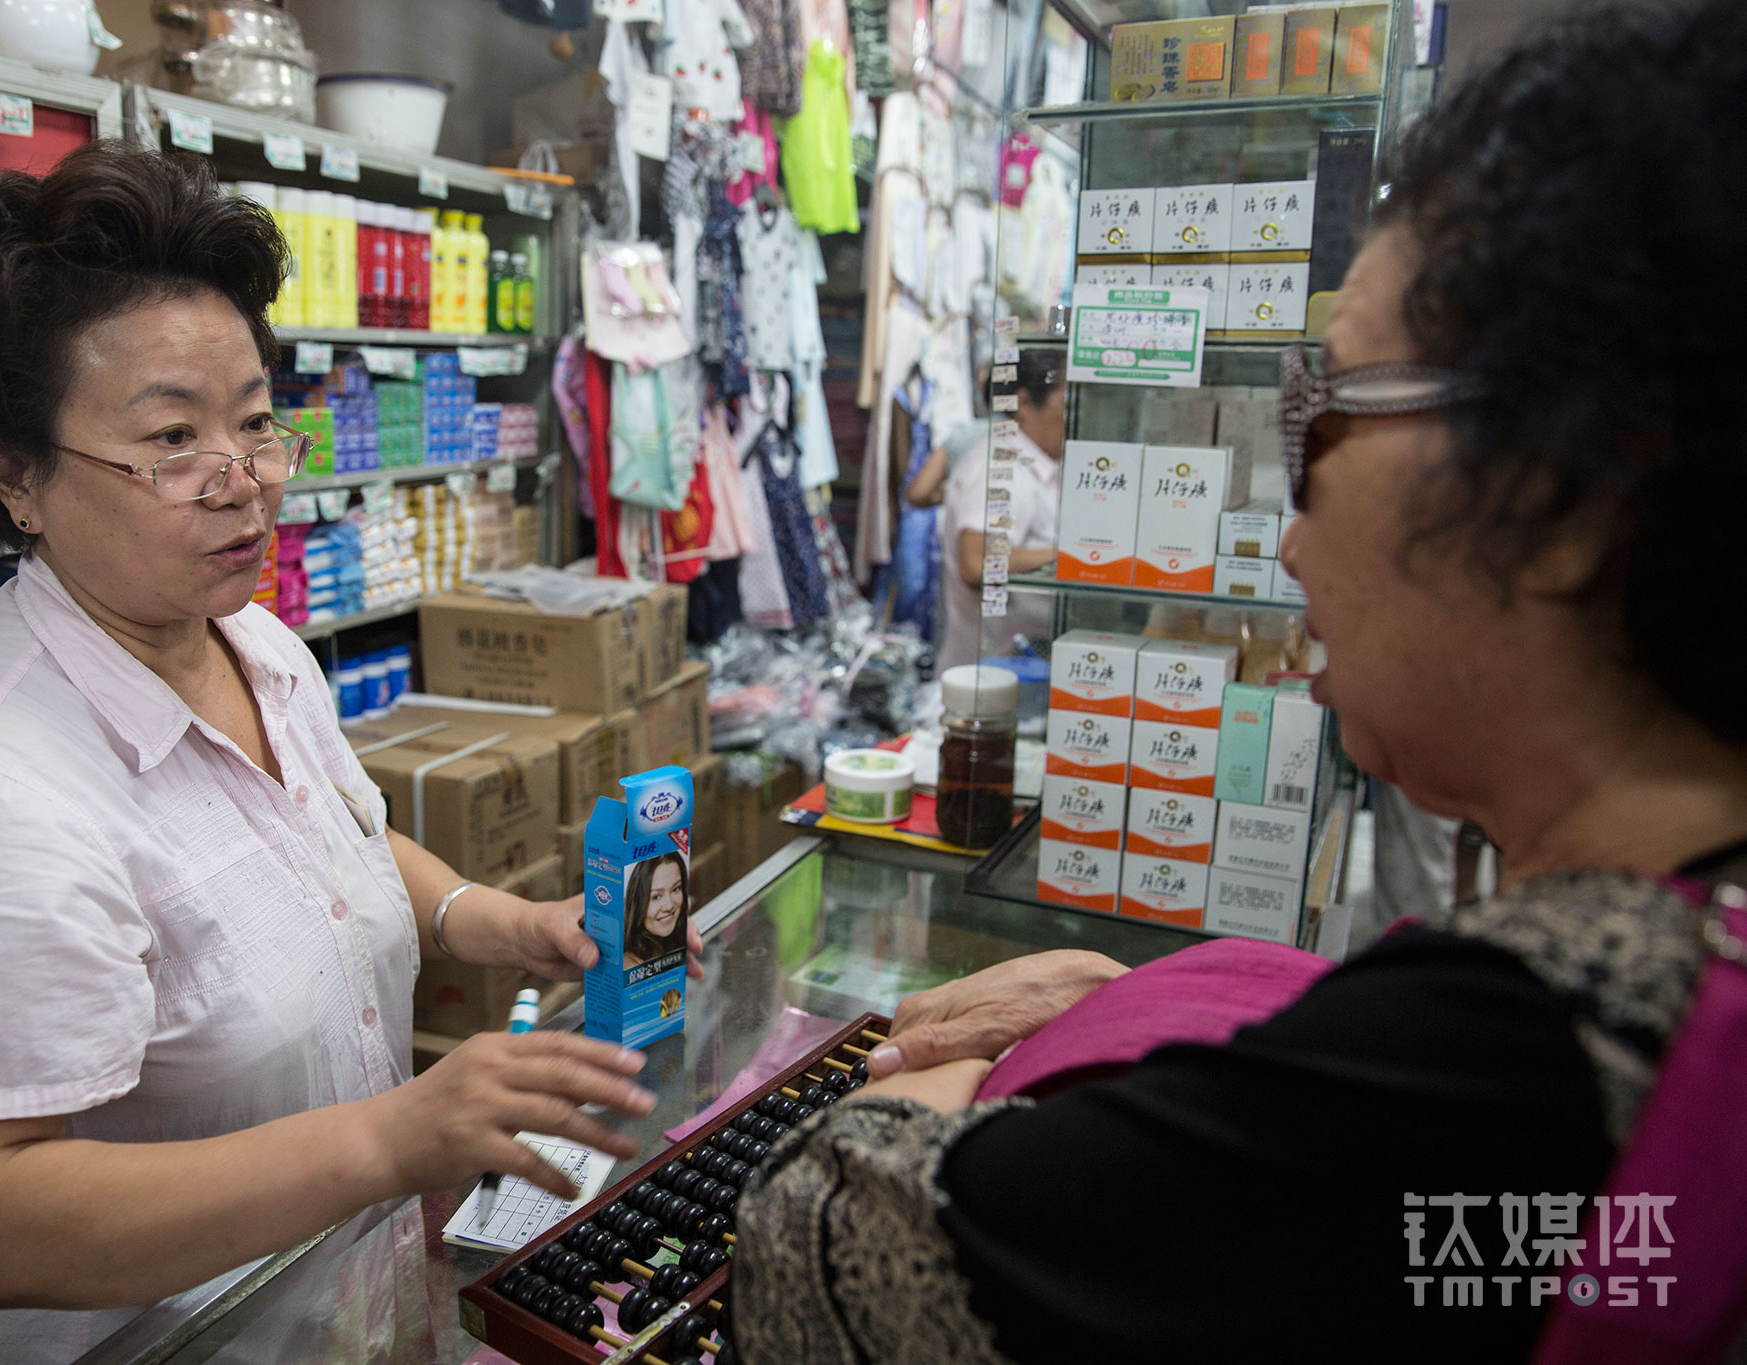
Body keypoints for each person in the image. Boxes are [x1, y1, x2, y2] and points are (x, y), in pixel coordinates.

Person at [733, 6, 1747, 1361]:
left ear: (1566, 494)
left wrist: (938, 1091)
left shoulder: (1503, 1073)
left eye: (1327, 418)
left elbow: (818, 1251)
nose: (1285, 531)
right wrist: (1126, 1014)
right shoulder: (1643, 992)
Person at [0, 141, 697, 1364]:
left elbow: (326, 842)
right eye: (173, 441)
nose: (242, 484)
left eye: (254, 424)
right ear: (15, 475)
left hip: (338, 1310)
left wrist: (500, 920)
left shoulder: (251, 642)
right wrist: (395, 1139)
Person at [934, 349, 1064, 670]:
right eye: (1066, 404)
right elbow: (978, 563)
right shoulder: (1001, 467)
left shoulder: (1034, 464)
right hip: (993, 670)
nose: (1074, 417)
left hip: (1019, 666)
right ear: (1024, 404)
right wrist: (1069, 557)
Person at [622, 850, 689, 971]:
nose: (669, 906)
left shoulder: (679, 942)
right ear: (637, 902)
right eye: (656, 897)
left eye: (676, 889)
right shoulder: (632, 966)